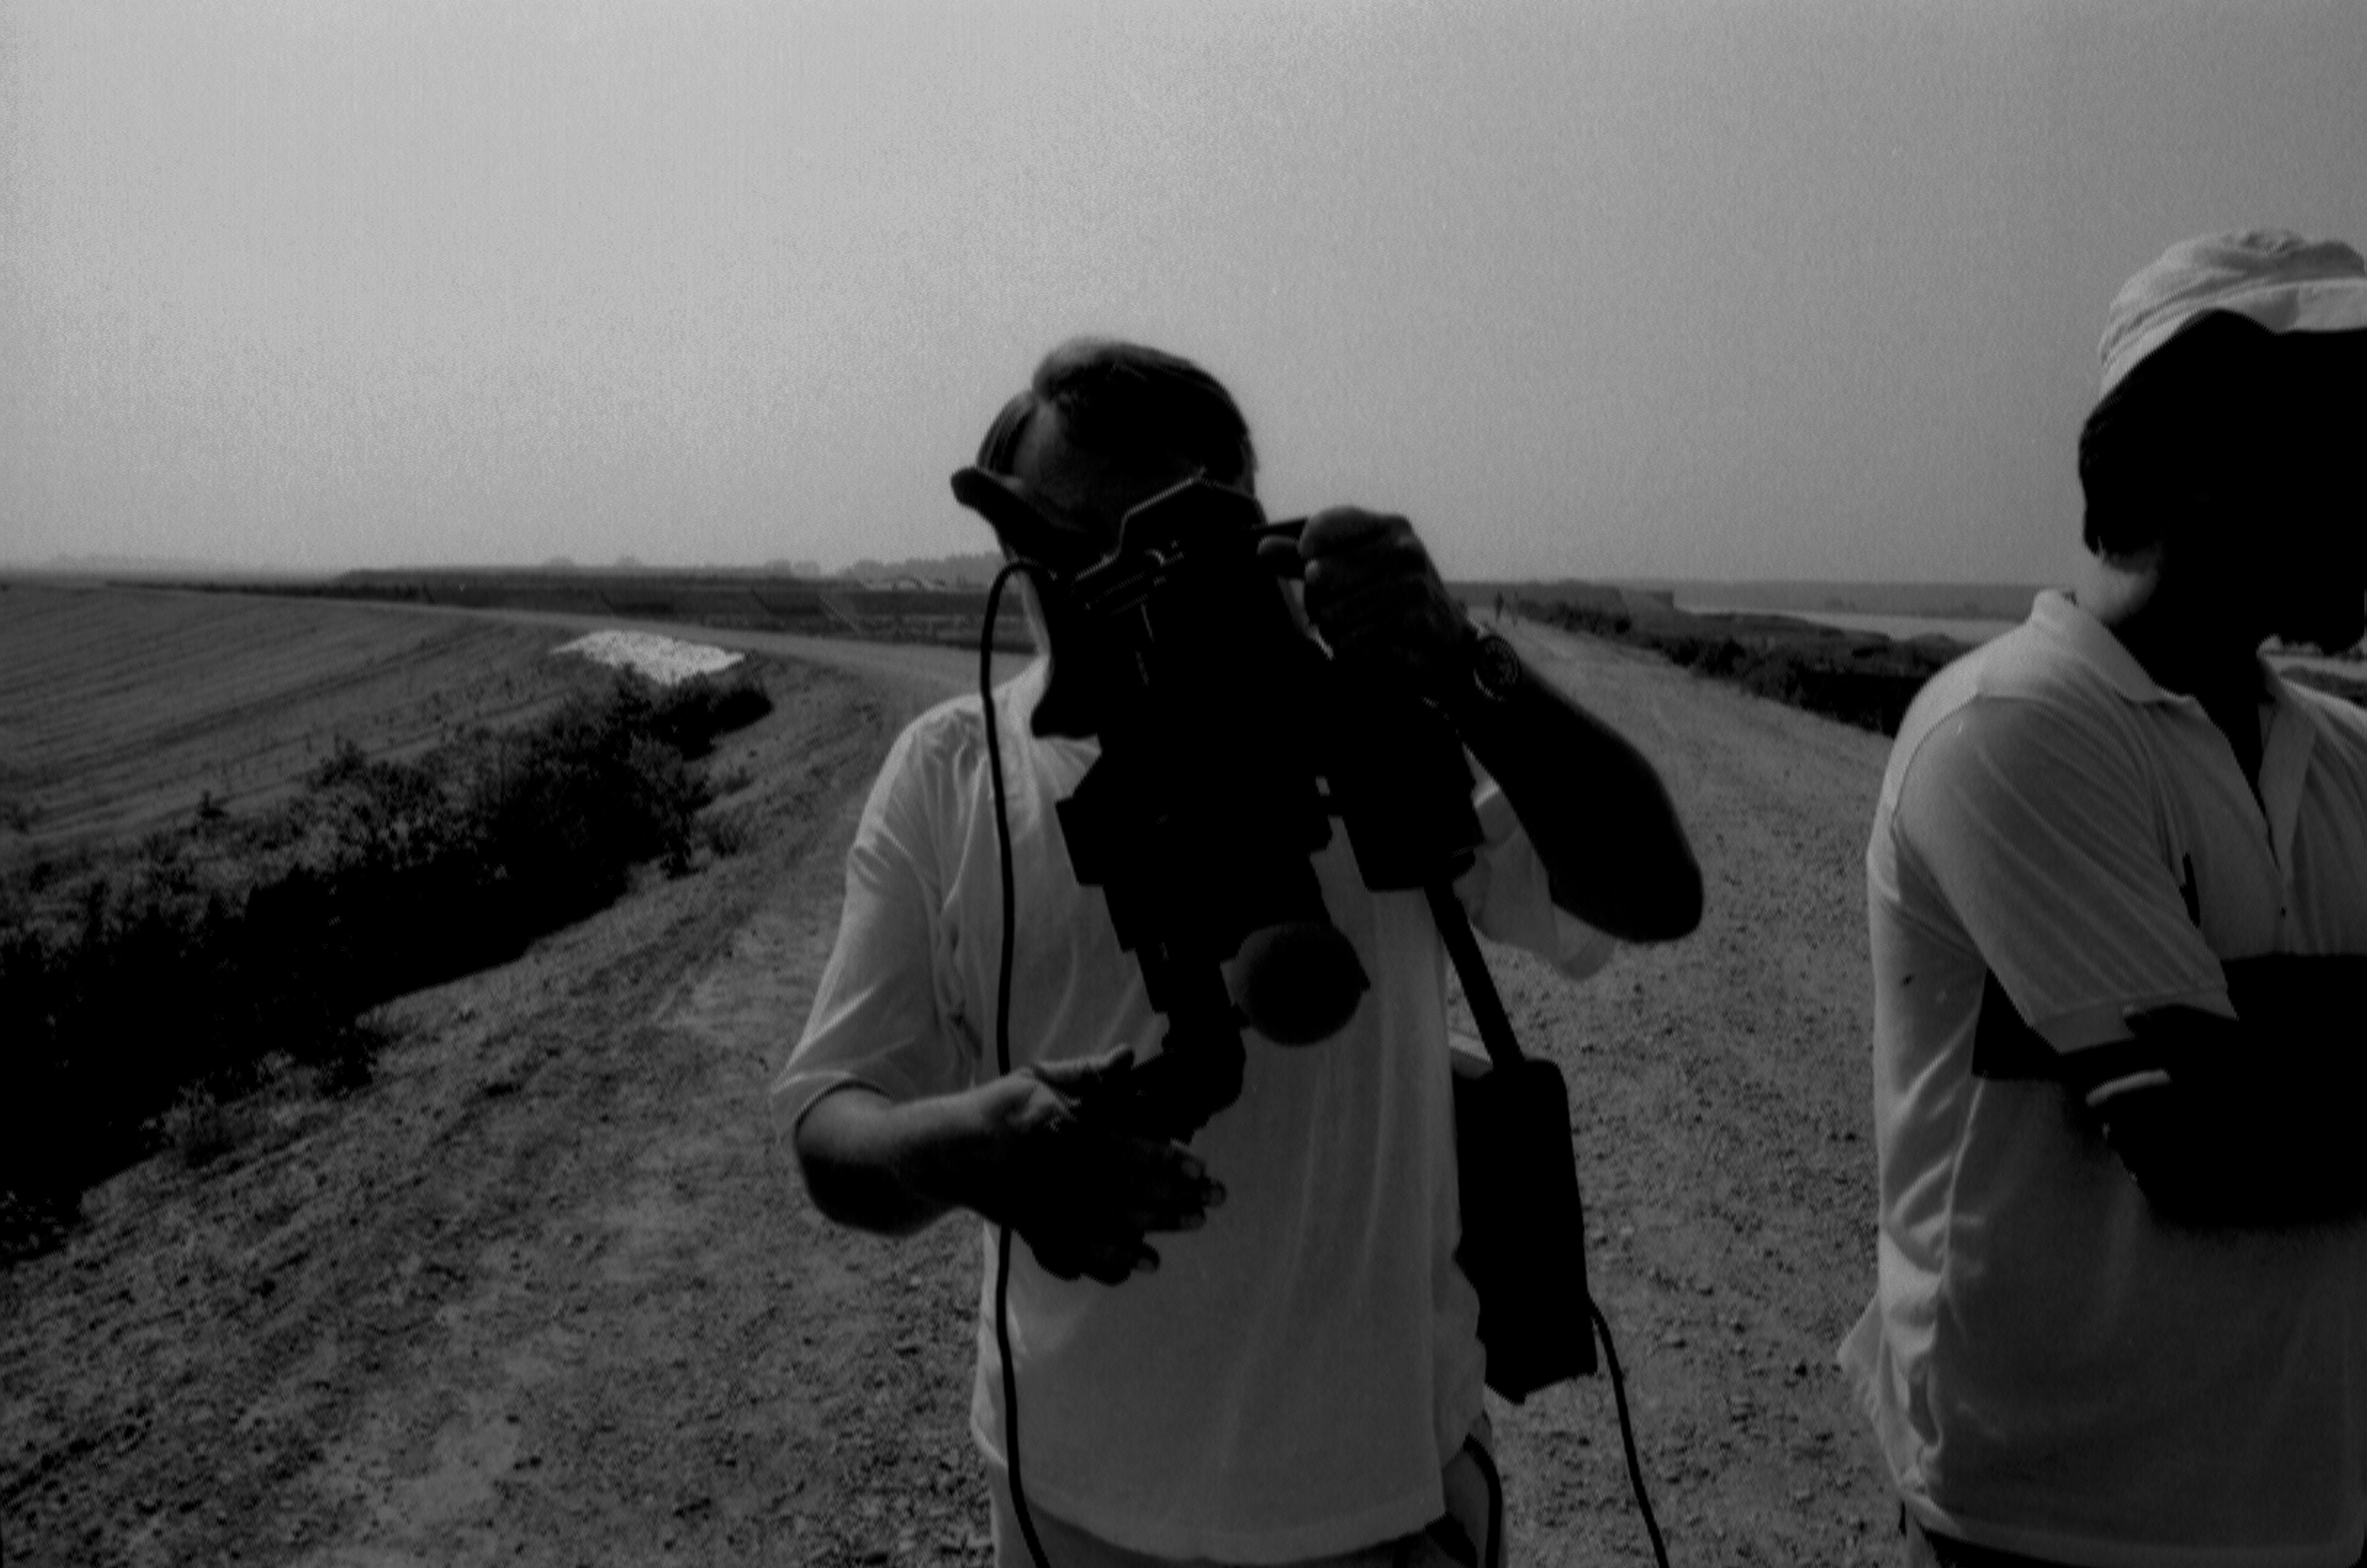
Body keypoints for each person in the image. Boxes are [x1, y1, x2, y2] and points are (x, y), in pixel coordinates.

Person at [776, 337, 1702, 1567]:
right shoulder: (952, 773)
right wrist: (964, 1151)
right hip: (1072, 1511)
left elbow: (1654, 892)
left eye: (1166, 543)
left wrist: (1461, 660)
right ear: (1017, 558)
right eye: (1080, 548)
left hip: (1384, 1505)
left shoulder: (1369, 722)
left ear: (1249, 528)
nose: (1126, 589)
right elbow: (833, 1127)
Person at [1840, 228, 2367, 1567]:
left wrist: (2257, 1032)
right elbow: (2208, 1139)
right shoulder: (2012, 722)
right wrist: (2254, 1048)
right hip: (2054, 1528)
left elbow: (2250, 1094)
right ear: (2203, 460)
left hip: (2307, 1514)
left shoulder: (2340, 752)